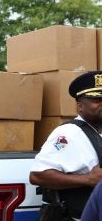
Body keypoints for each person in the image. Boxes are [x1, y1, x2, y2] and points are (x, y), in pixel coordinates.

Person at [29, 70, 102, 220]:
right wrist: (88, 179)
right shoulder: (68, 134)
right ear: (80, 106)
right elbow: (37, 175)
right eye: (97, 99)